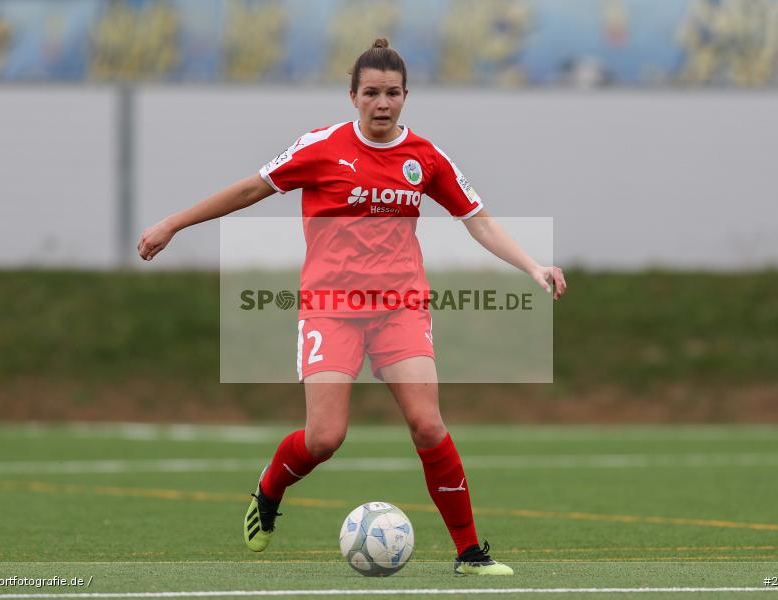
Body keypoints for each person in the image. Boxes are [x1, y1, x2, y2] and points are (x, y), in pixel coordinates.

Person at [138, 38, 567, 576]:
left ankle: (470, 553)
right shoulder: (322, 147)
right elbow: (251, 189)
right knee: (325, 438)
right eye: (371, 93)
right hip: (330, 308)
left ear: (406, 96)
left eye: (392, 93)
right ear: (353, 96)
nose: (381, 103)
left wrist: (532, 267)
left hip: (400, 308)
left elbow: (476, 218)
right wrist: (173, 223)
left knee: (429, 426)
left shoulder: (426, 158)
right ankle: (269, 491)